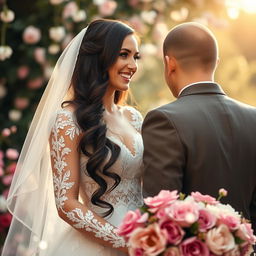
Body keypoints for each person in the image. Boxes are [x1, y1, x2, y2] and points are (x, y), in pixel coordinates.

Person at [2, 19, 143, 256]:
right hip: (98, 245)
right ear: (100, 58)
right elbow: (65, 203)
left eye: (135, 56)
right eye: (123, 55)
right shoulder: (67, 121)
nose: (132, 65)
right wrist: (125, 244)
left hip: (145, 237)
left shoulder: (134, 117)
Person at [142, 22, 256, 234]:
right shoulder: (253, 117)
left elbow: (160, 215)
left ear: (170, 64)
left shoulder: (164, 120)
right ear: (216, 63)